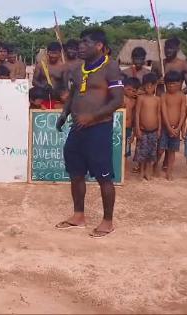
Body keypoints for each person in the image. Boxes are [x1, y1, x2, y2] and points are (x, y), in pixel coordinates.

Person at [54, 28, 124, 237]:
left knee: (104, 177)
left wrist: (92, 117)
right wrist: (65, 113)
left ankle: (107, 221)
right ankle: (78, 216)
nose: (80, 46)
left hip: (99, 128)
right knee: (75, 173)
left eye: (86, 42)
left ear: (99, 45)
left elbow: (117, 100)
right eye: (80, 42)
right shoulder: (77, 69)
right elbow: (73, 94)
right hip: (77, 129)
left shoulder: (110, 67)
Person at [157, 70, 186, 180]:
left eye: (173, 84)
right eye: (168, 84)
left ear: (179, 84)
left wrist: (179, 128)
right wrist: (168, 127)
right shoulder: (164, 96)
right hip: (165, 127)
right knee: (160, 149)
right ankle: (155, 166)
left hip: (176, 128)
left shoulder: (182, 96)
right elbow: (163, 112)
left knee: (172, 151)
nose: (171, 86)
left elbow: (183, 112)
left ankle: (169, 172)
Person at [135, 73, 161, 181]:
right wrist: (137, 128)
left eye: (151, 86)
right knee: (142, 152)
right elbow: (137, 114)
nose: (149, 88)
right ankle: (141, 171)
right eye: (146, 86)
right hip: (143, 130)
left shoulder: (157, 99)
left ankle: (148, 171)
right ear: (143, 86)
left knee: (151, 152)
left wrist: (159, 129)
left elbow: (159, 114)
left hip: (154, 131)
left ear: (155, 86)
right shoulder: (141, 98)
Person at [123, 77, 141, 160]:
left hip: (128, 129)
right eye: (128, 89)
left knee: (126, 149)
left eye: (133, 91)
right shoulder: (120, 98)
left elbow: (134, 117)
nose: (130, 92)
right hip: (119, 128)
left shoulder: (135, 101)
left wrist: (133, 134)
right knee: (116, 147)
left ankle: (125, 168)